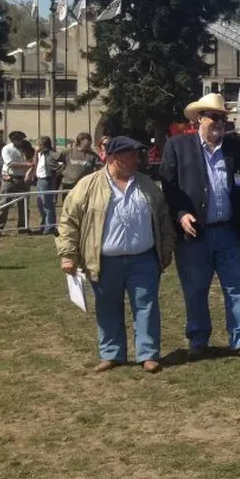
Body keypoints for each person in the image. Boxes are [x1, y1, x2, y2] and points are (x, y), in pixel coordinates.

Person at [159, 93, 240, 359]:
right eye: (214, 117)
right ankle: (198, 339)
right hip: (195, 233)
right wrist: (181, 214)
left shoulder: (235, 149)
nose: (220, 122)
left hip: (229, 230)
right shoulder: (177, 146)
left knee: (236, 286)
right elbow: (169, 188)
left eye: (222, 118)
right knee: (195, 287)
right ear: (199, 119)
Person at [57, 137, 176, 373]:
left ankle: (148, 354)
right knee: (107, 307)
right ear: (113, 158)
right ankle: (111, 353)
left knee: (147, 306)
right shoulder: (87, 185)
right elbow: (69, 222)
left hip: (143, 258)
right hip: (103, 260)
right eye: (131, 155)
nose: (137, 159)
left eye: (136, 154)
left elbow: (163, 219)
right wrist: (68, 254)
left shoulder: (147, 185)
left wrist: (166, 249)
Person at [0, 130, 30, 234]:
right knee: (4, 204)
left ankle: (23, 228)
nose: (22, 141)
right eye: (20, 139)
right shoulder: (6, 149)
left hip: (23, 179)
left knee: (24, 205)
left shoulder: (26, 148)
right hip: (10, 179)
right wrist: (29, 165)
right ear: (14, 140)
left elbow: (33, 158)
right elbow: (11, 164)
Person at [33, 136, 58, 235]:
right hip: (39, 180)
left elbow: (59, 165)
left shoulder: (51, 154)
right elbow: (36, 164)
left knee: (47, 204)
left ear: (43, 145)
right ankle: (44, 225)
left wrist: (52, 175)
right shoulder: (39, 154)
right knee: (40, 204)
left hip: (46, 180)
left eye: (38, 144)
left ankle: (50, 226)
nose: (36, 147)